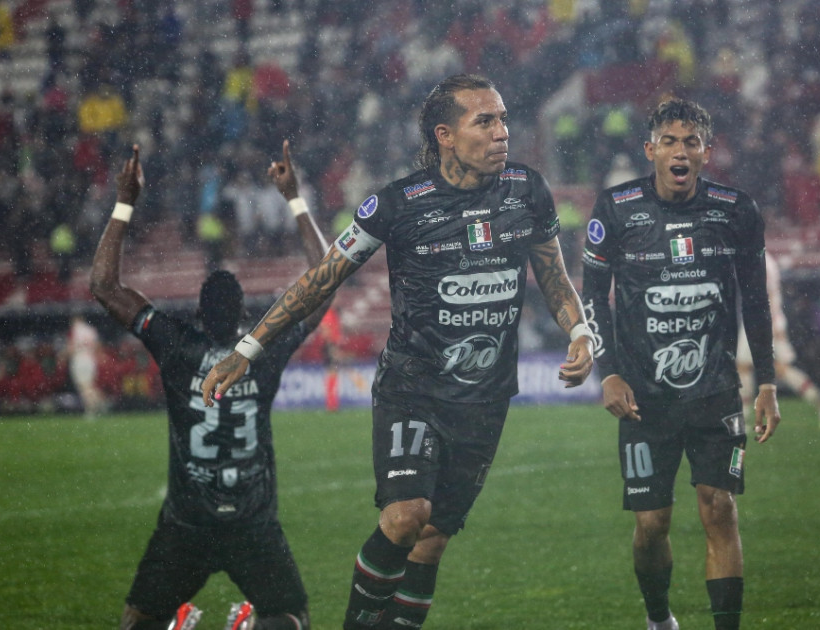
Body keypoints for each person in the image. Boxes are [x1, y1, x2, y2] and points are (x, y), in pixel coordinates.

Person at [200, 73, 594, 629]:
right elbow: (323, 278)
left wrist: (580, 334)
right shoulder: (398, 203)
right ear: (445, 136)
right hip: (415, 389)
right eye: (485, 120)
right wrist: (249, 346)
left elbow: (554, 277)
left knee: (431, 542)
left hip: (485, 401)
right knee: (407, 516)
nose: (503, 131)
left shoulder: (527, 190)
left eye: (503, 118)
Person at [91, 142, 332, 630]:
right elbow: (323, 281)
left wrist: (124, 201)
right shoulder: (263, 348)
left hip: (187, 525)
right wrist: (295, 199)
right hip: (253, 526)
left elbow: (105, 287)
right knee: (291, 617)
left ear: (198, 315)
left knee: (138, 621)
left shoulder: (176, 346)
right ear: (246, 315)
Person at [582, 98, 780, 630]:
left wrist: (767, 383)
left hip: (715, 389)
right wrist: (610, 372)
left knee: (719, 507)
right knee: (652, 523)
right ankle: (658, 617)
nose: (680, 151)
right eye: (669, 141)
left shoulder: (736, 210)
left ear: (706, 153)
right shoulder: (616, 209)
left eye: (691, 142)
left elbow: (756, 300)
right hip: (645, 399)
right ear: (650, 150)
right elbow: (594, 296)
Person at [736, 251, 820, 430]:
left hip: (764, 322)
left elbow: (767, 297)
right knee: (746, 366)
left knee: (775, 368)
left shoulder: (761, 262)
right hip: (758, 320)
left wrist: (774, 325)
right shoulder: (761, 260)